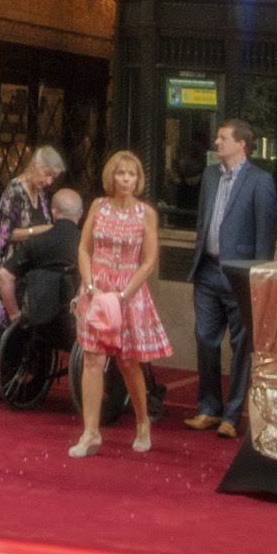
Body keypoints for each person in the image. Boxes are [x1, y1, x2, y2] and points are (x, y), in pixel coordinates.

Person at [72, 150, 170, 458]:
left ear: (138, 179)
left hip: (129, 291)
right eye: (120, 173)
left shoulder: (146, 214)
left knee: (128, 362)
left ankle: (142, 422)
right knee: (91, 358)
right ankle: (90, 432)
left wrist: (124, 295)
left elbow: (149, 260)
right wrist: (89, 287)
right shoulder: (98, 207)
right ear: (111, 177)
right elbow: (84, 249)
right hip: (96, 290)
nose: (126, 179)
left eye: (132, 174)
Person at [185, 118, 277, 439]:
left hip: (240, 275)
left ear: (241, 144)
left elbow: (266, 232)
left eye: (223, 138)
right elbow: (202, 219)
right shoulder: (211, 176)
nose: (216, 143)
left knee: (241, 346)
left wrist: (259, 276)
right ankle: (209, 408)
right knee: (205, 340)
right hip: (208, 270)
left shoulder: (260, 180)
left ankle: (232, 413)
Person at [0, 146, 64, 329]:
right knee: (6, 338)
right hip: (9, 272)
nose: (49, 181)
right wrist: (38, 230)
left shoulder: (41, 195)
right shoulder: (14, 190)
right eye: (47, 174)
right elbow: (6, 234)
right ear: (35, 165)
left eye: (53, 177)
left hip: (30, 275)